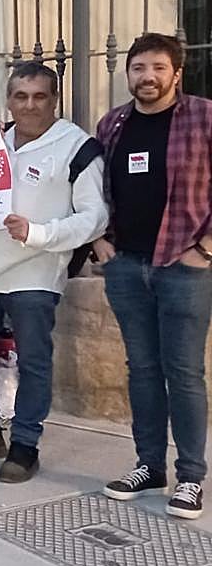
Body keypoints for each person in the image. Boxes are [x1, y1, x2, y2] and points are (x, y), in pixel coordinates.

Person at [0, 62, 108, 482]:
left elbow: (95, 218)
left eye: (39, 96)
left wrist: (38, 233)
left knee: (33, 360)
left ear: (54, 100)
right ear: (9, 100)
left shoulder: (78, 147)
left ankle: (25, 444)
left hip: (36, 269)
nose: (29, 105)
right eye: (20, 96)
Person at [94, 33, 212, 520]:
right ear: (128, 74)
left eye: (158, 67)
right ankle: (149, 465)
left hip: (184, 266)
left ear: (176, 73)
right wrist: (99, 242)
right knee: (140, 370)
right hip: (125, 264)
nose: (148, 77)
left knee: (183, 372)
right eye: (139, 68)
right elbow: (93, 189)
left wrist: (205, 249)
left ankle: (190, 476)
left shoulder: (205, 117)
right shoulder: (112, 124)